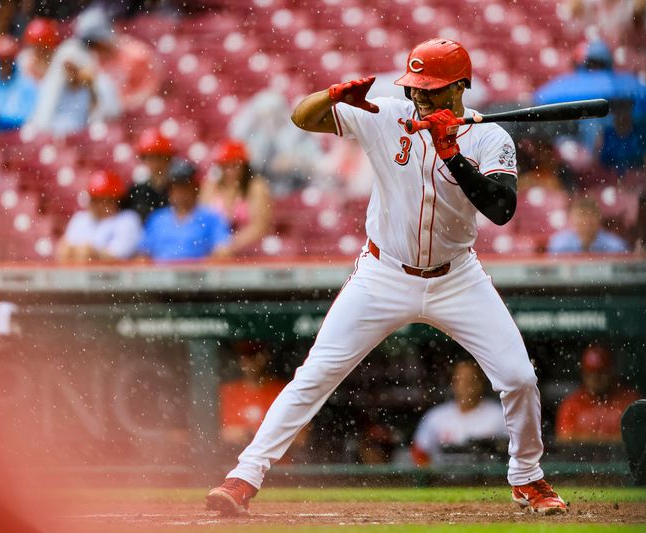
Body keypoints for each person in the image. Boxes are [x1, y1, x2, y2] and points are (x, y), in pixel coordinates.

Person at [206, 38, 567, 517]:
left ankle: (527, 477)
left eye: (433, 89)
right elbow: (302, 117)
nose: (421, 97)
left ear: (461, 87)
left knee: (520, 378)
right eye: (417, 86)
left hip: (456, 276)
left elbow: (501, 210)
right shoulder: (386, 112)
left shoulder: (488, 137)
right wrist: (334, 96)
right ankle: (243, 477)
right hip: (382, 273)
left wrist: (451, 153)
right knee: (315, 374)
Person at [411, 360, 508, 466]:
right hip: (445, 478)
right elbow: (419, 452)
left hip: (486, 478)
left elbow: (517, 451)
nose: (466, 386)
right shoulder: (436, 416)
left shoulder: (499, 415)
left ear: (481, 383)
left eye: (471, 380)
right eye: (461, 380)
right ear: (453, 384)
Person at [228, 90, 324, 196]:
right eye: (263, 117)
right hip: (258, 194)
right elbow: (241, 166)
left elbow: (318, 165)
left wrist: (296, 162)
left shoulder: (298, 134)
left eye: (274, 115)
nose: (269, 121)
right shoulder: (248, 136)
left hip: (295, 190)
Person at [137, 158, 232, 262]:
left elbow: (223, 250)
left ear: (194, 188)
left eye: (185, 187)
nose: (179, 192)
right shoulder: (157, 219)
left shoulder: (211, 217)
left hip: (199, 275)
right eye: (175, 187)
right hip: (161, 275)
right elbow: (143, 254)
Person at [71, 6, 160, 111]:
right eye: (89, 47)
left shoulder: (136, 55)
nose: (95, 51)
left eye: (96, 45)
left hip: (139, 114)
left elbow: (150, 91)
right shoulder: (94, 61)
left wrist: (120, 105)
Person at [200, 140, 272, 257]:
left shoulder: (256, 186)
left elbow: (259, 226)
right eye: (225, 166)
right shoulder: (210, 186)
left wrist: (230, 245)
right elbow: (203, 221)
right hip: (215, 249)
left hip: (249, 250)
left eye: (234, 165)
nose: (230, 171)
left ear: (244, 166)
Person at [556, 345, 640, 444]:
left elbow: (638, 439)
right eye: (590, 374)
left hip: (620, 459)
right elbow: (564, 441)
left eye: (600, 373)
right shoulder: (572, 404)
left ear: (611, 372)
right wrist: (609, 439)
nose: (595, 379)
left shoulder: (629, 401)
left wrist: (587, 438)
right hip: (583, 459)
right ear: (583, 374)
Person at [56, 169, 143, 263]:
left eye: (103, 199)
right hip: (80, 274)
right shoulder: (80, 218)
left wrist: (91, 253)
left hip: (114, 276)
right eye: (94, 199)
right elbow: (64, 251)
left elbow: (118, 256)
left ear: (115, 200)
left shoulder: (128, 219)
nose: (97, 204)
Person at [219, 342, 286, 448]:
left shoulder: (282, 390)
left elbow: (300, 437)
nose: (250, 361)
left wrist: (248, 433)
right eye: (246, 356)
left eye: (255, 355)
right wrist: (262, 434)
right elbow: (223, 433)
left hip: (281, 463)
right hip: (239, 461)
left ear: (265, 357)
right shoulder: (228, 392)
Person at [596, 99, 646, 176]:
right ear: (611, 110)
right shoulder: (606, 134)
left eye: (624, 106)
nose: (621, 111)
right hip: (610, 182)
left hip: (639, 180)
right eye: (616, 106)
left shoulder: (643, 132)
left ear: (631, 106)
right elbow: (597, 165)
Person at [124, 127, 175, 221]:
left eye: (159, 157)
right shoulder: (136, 192)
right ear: (144, 160)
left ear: (168, 159)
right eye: (151, 158)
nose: (156, 163)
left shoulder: (177, 189)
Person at [547, 197, 629, 254]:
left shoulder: (616, 245)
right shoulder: (558, 243)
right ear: (571, 219)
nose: (586, 221)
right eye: (581, 216)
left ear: (599, 217)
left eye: (591, 215)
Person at [0, 35, 37, 131]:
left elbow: (27, 118)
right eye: (1, 60)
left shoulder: (27, 85)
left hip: (15, 138)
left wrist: (0, 119)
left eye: (8, 60)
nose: (4, 64)